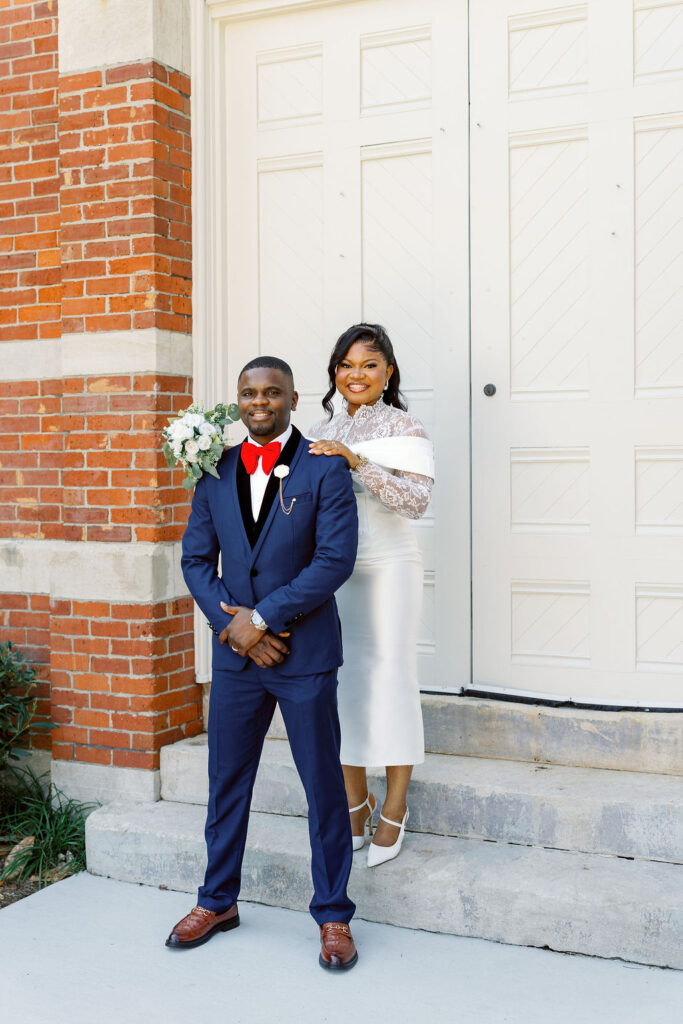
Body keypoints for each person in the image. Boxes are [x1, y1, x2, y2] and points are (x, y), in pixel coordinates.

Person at [167, 356, 360, 972]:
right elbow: (196, 560)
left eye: (272, 393)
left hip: (304, 655)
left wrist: (263, 618)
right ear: (238, 399)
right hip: (237, 659)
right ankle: (217, 900)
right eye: (249, 393)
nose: (259, 402)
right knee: (226, 782)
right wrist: (234, 628)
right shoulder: (215, 468)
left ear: (293, 398)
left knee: (322, 787)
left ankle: (333, 914)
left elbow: (333, 561)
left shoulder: (324, 469)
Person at [309, 324, 434, 868]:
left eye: (369, 364)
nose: (355, 374)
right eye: (346, 364)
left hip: (389, 565)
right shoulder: (322, 426)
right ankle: (356, 802)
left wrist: (357, 461)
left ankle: (397, 806)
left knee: (392, 677)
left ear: (388, 372)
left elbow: (415, 501)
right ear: (335, 372)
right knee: (339, 682)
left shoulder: (405, 426)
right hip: (336, 569)